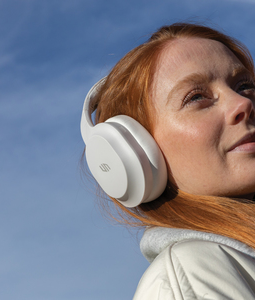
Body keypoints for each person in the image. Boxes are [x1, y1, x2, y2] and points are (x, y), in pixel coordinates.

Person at [80, 23, 255, 299]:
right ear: (137, 153)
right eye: (196, 97)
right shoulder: (190, 276)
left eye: (244, 85)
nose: (243, 104)